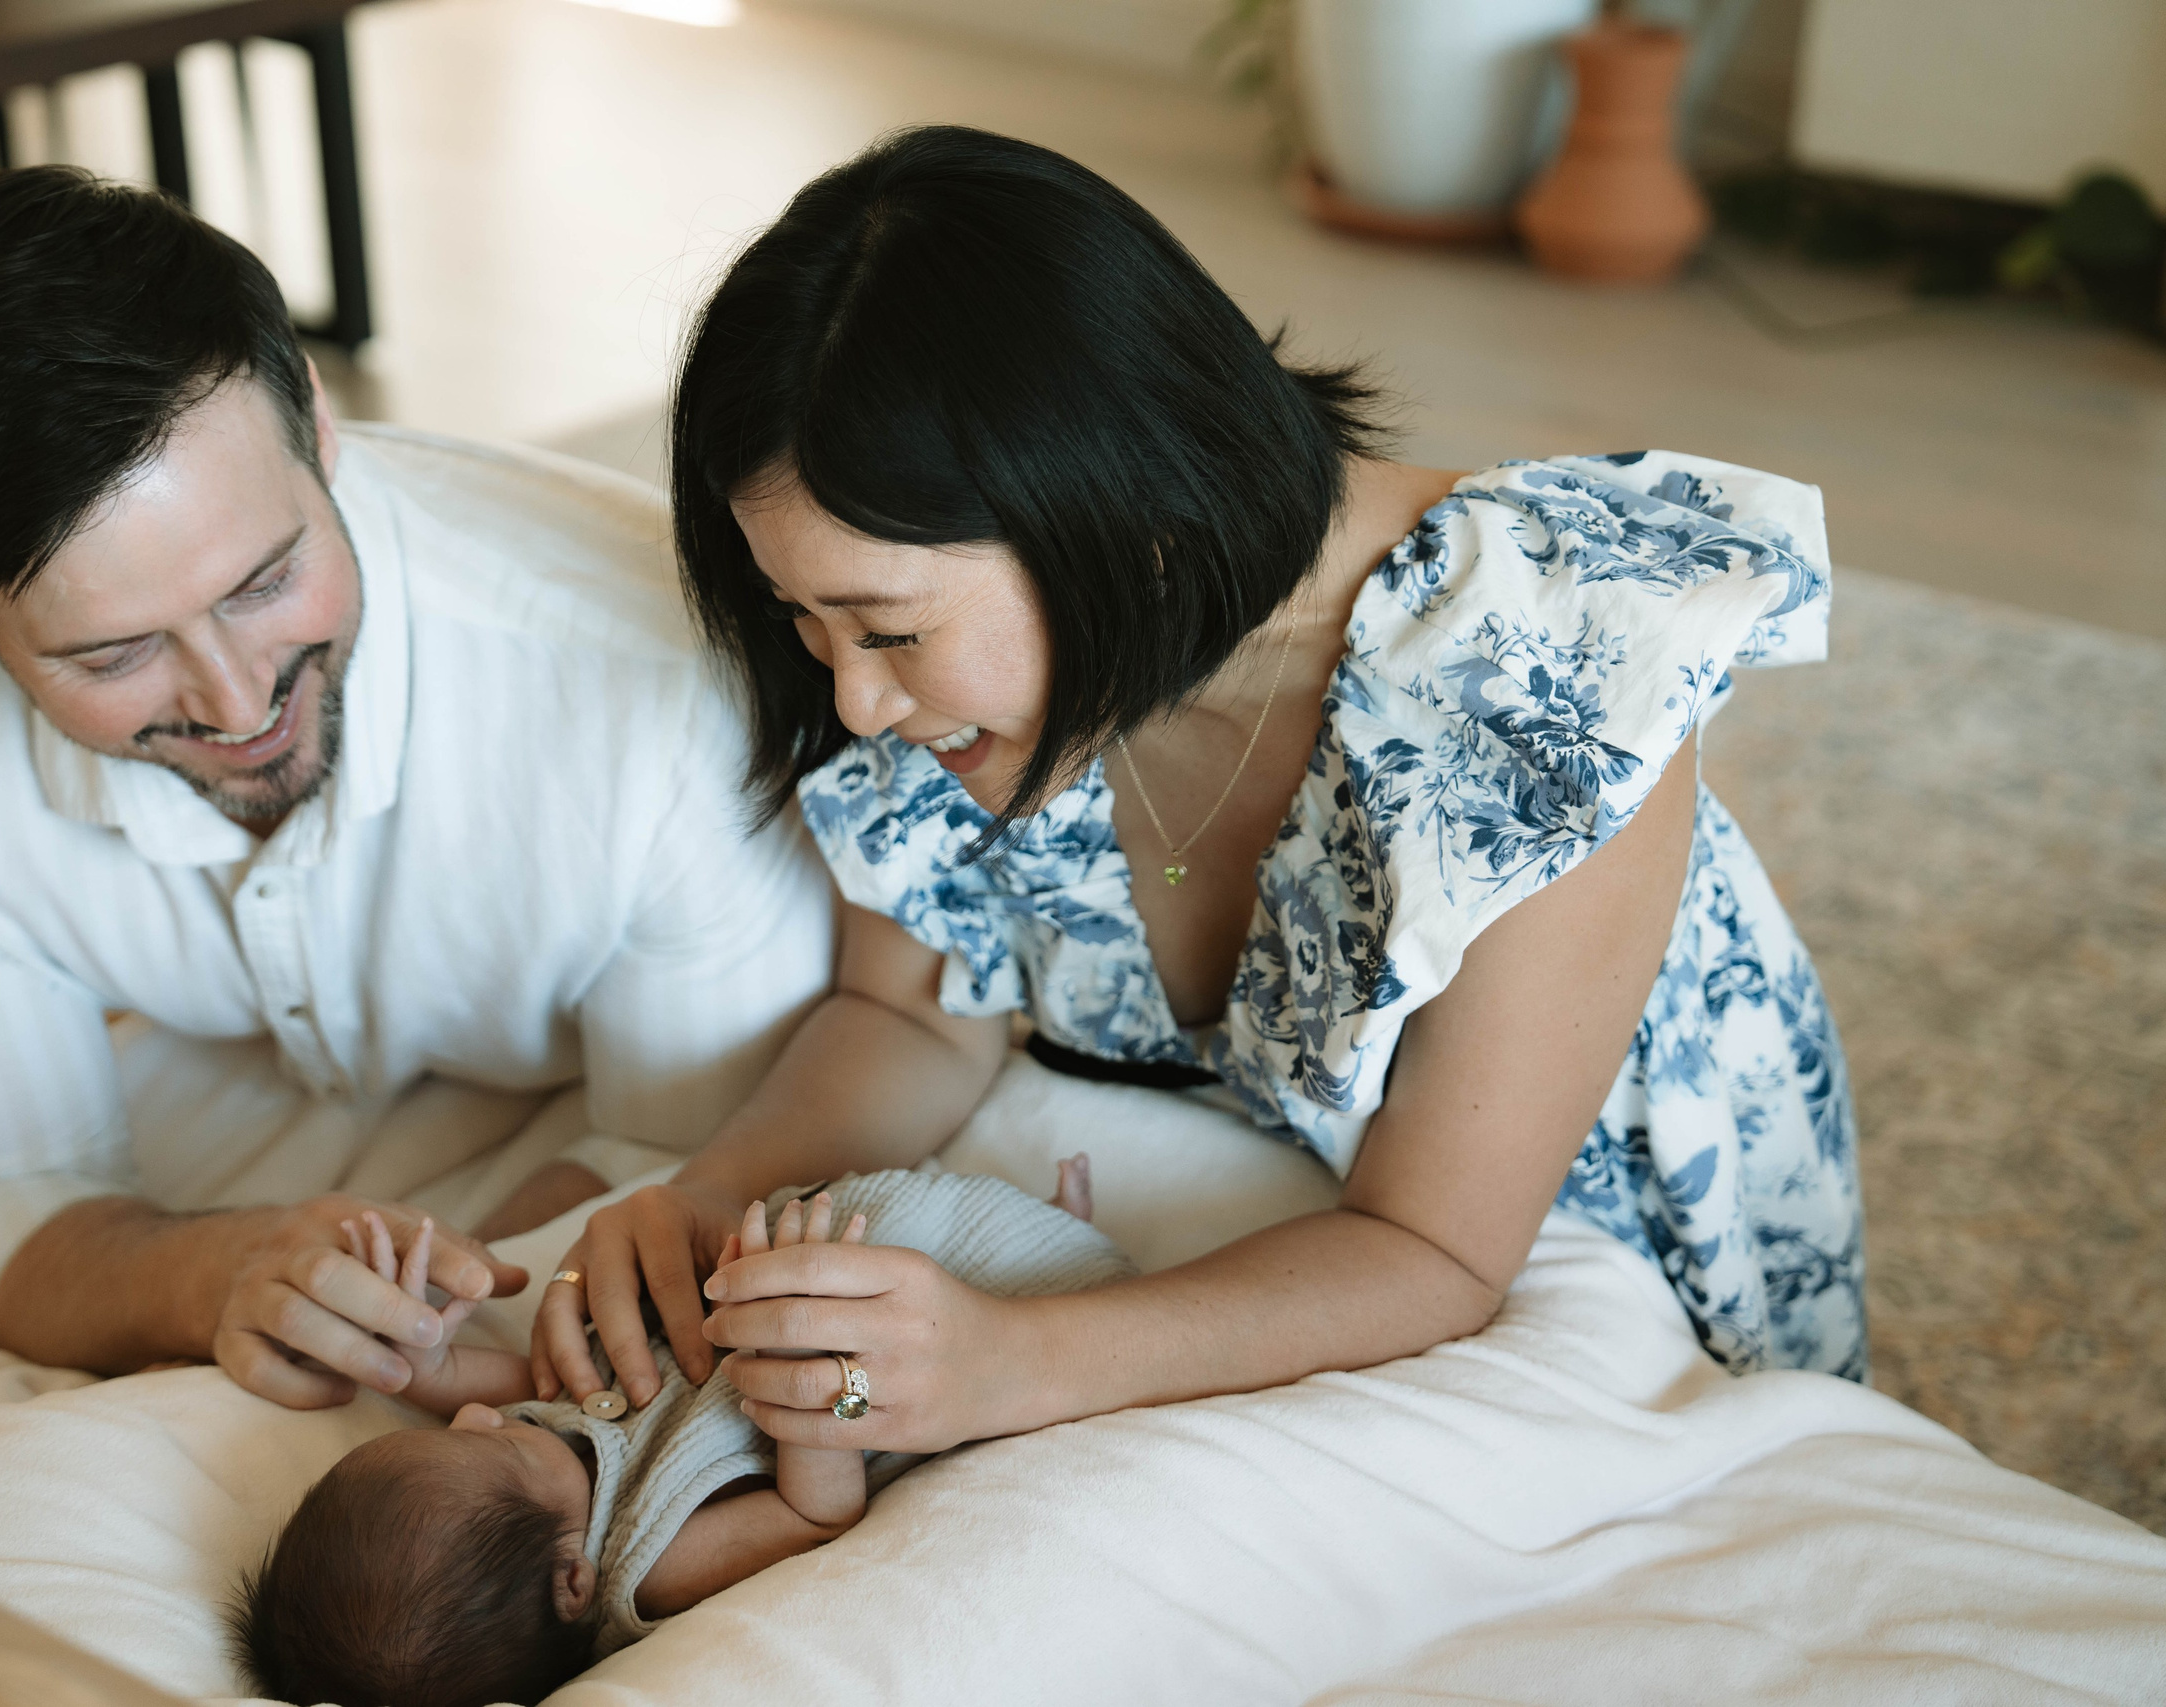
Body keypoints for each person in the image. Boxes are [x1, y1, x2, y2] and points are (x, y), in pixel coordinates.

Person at [533, 125, 1864, 1455]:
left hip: (1577, 1221)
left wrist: (1010, 1360)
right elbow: (915, 1007)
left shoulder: (1551, 670)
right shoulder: (963, 684)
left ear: (1125, 523)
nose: (854, 702)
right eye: (805, 622)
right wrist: (712, 1187)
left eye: (887, 629)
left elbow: (1439, 1248)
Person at [0, 165, 832, 1407]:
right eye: (112, 655)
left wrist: (432, 1296)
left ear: (320, 430)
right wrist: (214, 1270)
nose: (234, 702)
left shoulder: (655, 680)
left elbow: (693, 1149)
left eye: (265, 581)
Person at [230, 1160, 1122, 1707]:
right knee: (994, 1284)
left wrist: (412, 1349)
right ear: (573, 1579)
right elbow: (812, 1517)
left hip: (806, 1253)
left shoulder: (544, 1454)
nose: (477, 1416)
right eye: (492, 1444)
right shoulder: (651, 1564)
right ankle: (1066, 1233)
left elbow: (489, 1385)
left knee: (865, 1221)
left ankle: (1026, 1213)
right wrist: (806, 1364)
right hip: (858, 1349)